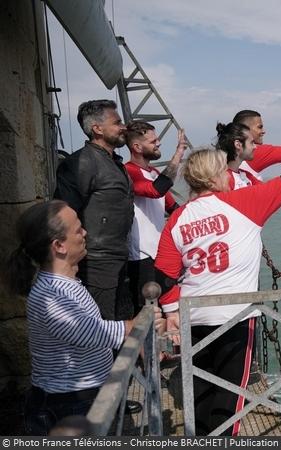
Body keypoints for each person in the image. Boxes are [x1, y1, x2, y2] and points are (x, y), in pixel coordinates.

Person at [154, 125, 281, 436]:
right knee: (230, 396)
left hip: (192, 316)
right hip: (235, 317)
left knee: (199, 387)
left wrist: (171, 315)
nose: (229, 177)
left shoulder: (178, 218)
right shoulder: (244, 202)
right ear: (214, 177)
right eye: (224, 172)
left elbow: (163, 276)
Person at [3, 200, 163, 435]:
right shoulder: (50, 293)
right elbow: (89, 332)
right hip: (67, 404)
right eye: (78, 229)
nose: (85, 233)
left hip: (81, 398)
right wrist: (135, 325)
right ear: (59, 246)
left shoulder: (64, 285)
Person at [54, 99, 135, 320]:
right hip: (96, 264)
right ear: (97, 129)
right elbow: (64, 212)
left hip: (117, 260)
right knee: (102, 329)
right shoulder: (81, 162)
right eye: (117, 122)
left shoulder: (114, 161)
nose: (123, 127)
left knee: (117, 327)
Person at [125, 121, 188, 314]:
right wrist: (178, 154)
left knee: (169, 310)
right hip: (141, 257)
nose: (159, 143)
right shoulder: (128, 171)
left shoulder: (153, 172)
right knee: (146, 314)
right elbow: (155, 190)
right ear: (137, 147)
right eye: (153, 140)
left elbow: (173, 207)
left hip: (161, 254)